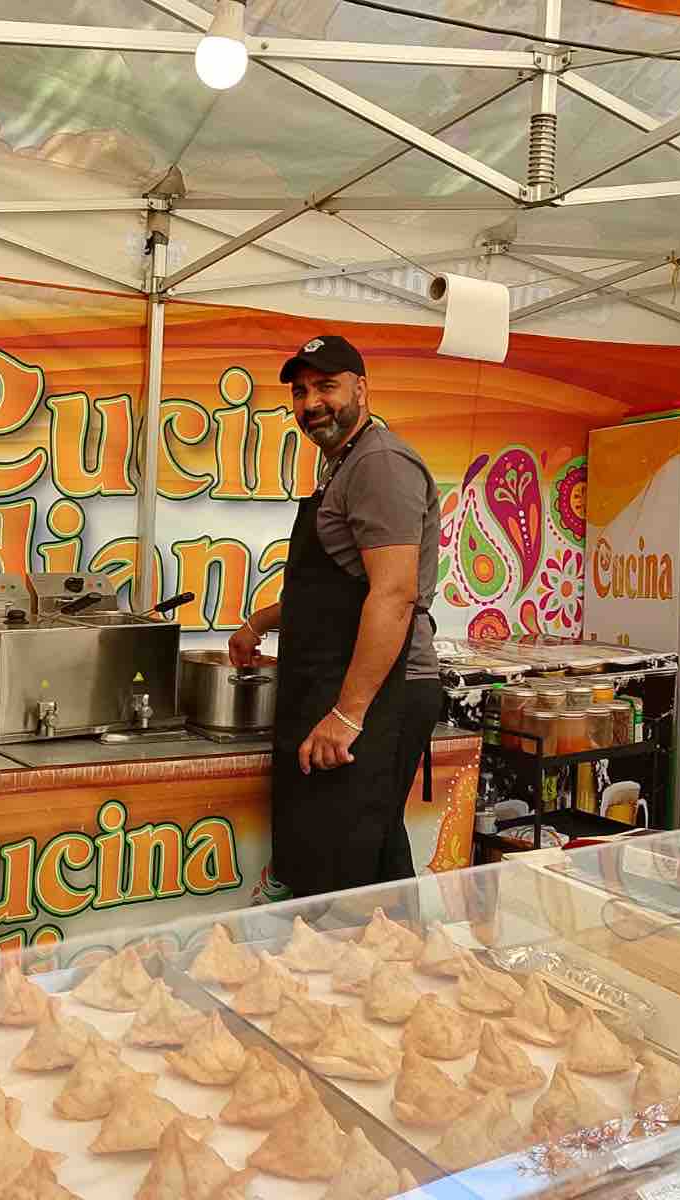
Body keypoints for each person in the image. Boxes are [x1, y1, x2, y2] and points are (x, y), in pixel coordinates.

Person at [229, 334, 442, 899]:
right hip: (349, 686)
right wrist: (259, 623)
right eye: (300, 392)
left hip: (383, 692)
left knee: (343, 869)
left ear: (361, 390)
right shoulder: (344, 464)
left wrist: (348, 714)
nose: (312, 403)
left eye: (326, 386)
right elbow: (335, 595)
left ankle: (357, 954)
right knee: (368, 860)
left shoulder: (380, 464)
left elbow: (393, 595)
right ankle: (395, 952)